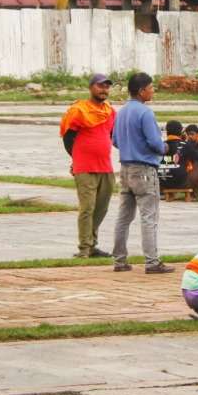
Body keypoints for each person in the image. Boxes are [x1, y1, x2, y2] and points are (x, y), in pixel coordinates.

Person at [110, 72, 172, 274]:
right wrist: (164, 147)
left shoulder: (121, 112)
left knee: (124, 216)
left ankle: (119, 260)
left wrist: (131, 146)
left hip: (125, 168)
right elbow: (155, 142)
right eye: (151, 88)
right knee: (149, 216)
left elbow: (115, 140)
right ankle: (152, 261)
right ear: (141, 91)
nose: (153, 91)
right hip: (144, 169)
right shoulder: (145, 113)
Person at [61, 73, 116, 258]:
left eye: (107, 87)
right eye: (100, 86)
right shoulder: (79, 110)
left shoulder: (110, 111)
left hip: (106, 166)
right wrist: (76, 158)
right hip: (85, 167)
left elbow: (113, 136)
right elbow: (68, 138)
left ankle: (92, 244)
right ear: (91, 87)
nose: (104, 90)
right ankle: (84, 248)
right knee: (87, 208)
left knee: (101, 208)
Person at [158, 120, 192, 192]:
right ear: (180, 132)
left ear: (167, 131)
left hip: (162, 181)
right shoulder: (186, 145)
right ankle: (195, 193)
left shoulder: (161, 145)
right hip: (181, 182)